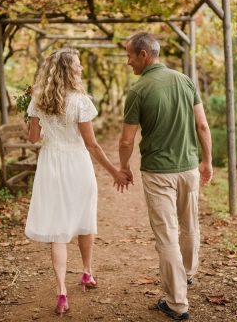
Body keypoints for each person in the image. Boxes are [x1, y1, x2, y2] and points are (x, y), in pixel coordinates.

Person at [25, 47, 128, 316]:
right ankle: (86, 272)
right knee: (85, 220)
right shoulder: (81, 101)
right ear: (69, 70)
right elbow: (92, 145)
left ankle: (61, 292)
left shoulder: (38, 100)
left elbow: (33, 139)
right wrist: (114, 171)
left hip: (50, 164)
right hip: (78, 164)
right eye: (78, 65)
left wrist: (31, 111)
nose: (81, 69)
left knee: (58, 229)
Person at [118, 32, 213, 320]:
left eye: (130, 56)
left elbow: (126, 141)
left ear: (144, 55)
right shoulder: (185, 81)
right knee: (189, 225)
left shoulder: (138, 90)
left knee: (167, 235)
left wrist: (124, 167)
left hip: (159, 173)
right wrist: (207, 161)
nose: (127, 61)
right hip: (188, 168)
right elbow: (203, 126)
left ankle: (177, 303)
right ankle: (187, 274)